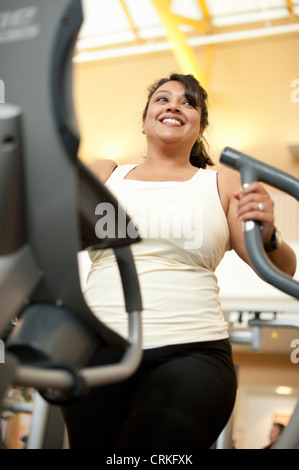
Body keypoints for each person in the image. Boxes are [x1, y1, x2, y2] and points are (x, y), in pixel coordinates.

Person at [62, 73, 297, 450]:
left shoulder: (221, 183)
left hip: (192, 348)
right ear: (143, 121)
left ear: (200, 127)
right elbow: (54, 238)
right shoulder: (106, 174)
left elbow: (282, 268)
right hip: (100, 348)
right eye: (162, 99)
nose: (174, 105)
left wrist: (268, 233)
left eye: (188, 102)